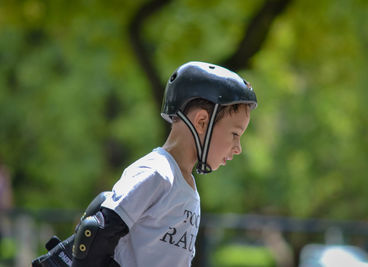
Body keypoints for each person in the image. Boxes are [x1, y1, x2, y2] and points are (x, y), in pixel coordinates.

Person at [71, 61, 257, 267]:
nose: (238, 148)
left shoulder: (187, 187)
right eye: (235, 134)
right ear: (202, 122)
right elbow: (95, 236)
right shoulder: (156, 172)